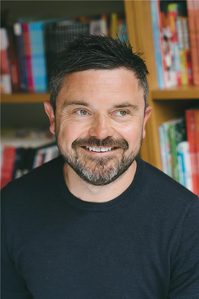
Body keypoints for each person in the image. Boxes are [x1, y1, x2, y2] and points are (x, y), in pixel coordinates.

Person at [1, 35, 199, 299]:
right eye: (82, 111)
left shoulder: (189, 223)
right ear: (52, 117)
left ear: (143, 121)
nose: (101, 132)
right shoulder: (8, 210)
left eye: (121, 112)